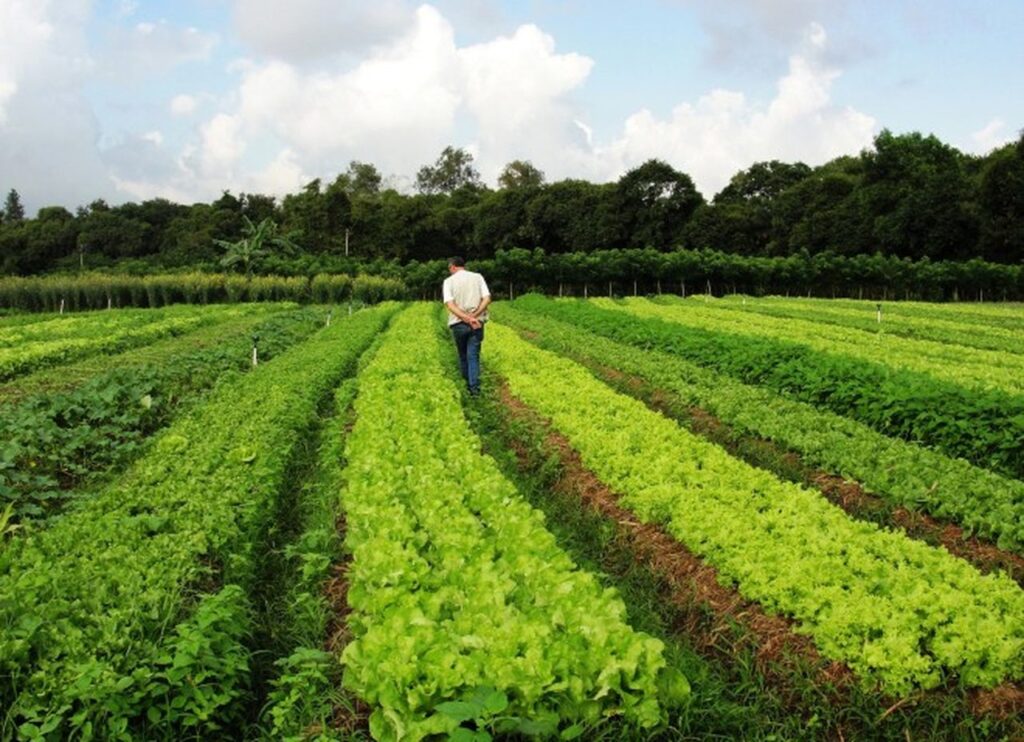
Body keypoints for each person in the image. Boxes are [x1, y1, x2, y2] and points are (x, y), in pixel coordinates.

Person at [442, 256, 491, 396]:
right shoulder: (478, 277)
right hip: (477, 323)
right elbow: (487, 298)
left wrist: (465, 318)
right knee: (473, 356)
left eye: (449, 268)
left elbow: (450, 304)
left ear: (452, 267)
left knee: (463, 355)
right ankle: (474, 390)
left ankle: (466, 387)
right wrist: (474, 317)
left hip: (458, 324)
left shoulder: (448, 282)